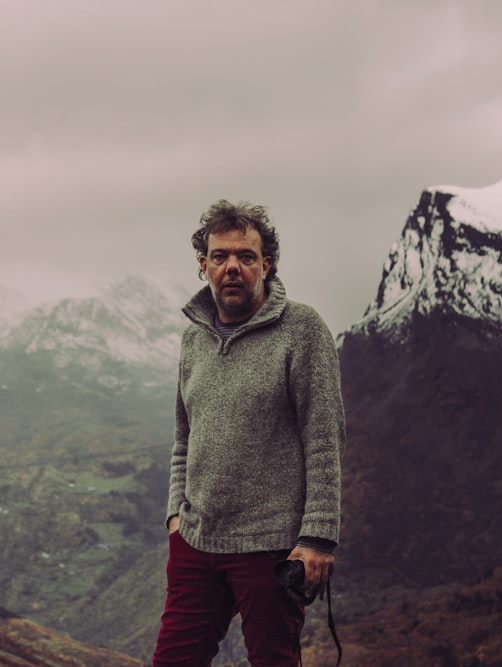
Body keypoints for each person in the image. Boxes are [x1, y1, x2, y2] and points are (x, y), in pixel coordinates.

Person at [153, 199, 345, 667]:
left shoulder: (302, 330)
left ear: (266, 264)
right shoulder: (193, 337)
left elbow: (323, 437)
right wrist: (176, 518)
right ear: (204, 266)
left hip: (271, 547)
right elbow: (184, 436)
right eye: (220, 256)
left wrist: (318, 538)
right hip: (197, 542)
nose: (232, 267)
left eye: (245, 256)